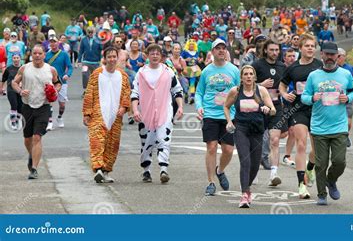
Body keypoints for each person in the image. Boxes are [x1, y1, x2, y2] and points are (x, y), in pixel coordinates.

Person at [301, 42, 353, 205]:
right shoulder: (313, 76)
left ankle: (331, 180)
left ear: (337, 57)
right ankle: (321, 194)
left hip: (339, 126)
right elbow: (304, 97)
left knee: (340, 162)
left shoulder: (346, 74)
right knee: (321, 163)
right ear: (322, 55)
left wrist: (348, 98)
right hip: (319, 127)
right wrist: (312, 98)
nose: (330, 57)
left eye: (333, 55)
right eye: (327, 54)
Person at [223, 65, 276, 208]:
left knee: (254, 165)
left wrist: (267, 109)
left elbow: (273, 110)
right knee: (245, 160)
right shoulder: (236, 91)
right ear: (241, 77)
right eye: (245, 74)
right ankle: (245, 194)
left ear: (254, 77)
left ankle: (247, 187)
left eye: (250, 74)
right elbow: (226, 106)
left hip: (257, 130)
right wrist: (229, 121)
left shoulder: (261, 91)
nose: (248, 76)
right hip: (241, 129)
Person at [131, 44, 184, 183]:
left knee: (163, 139)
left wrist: (180, 107)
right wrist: (135, 110)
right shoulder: (141, 73)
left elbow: (177, 90)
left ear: (161, 56)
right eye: (152, 53)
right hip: (146, 112)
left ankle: (163, 169)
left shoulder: (168, 72)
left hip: (165, 111)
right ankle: (146, 170)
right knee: (146, 141)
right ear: (147, 56)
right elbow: (135, 93)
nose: (154, 56)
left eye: (157, 53)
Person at [279, 34, 323, 199]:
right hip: (298, 109)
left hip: (318, 110)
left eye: (313, 46)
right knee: (301, 144)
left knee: (317, 150)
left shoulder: (320, 66)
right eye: (307, 46)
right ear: (301, 48)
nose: (310, 48)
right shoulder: (293, 68)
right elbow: (282, 84)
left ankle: (310, 168)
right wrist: (284, 94)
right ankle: (301, 185)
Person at [195, 39, 240, 196]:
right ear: (212, 52)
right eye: (217, 48)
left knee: (228, 149)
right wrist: (199, 107)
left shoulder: (234, 70)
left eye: (223, 48)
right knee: (211, 147)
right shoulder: (207, 71)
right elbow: (199, 92)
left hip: (229, 115)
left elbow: (240, 91)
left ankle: (220, 171)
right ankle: (211, 182)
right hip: (210, 114)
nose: (221, 50)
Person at [11, 45, 61, 179]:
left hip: (44, 107)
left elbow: (58, 83)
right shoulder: (24, 68)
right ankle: (31, 154)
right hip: (27, 106)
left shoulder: (51, 70)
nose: (37, 56)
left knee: (37, 137)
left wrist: (55, 91)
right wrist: (21, 91)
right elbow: (14, 82)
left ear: (44, 55)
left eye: (40, 53)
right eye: (35, 53)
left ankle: (34, 169)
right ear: (31, 55)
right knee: (27, 139)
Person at [82, 47, 131, 183]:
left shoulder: (123, 75)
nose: (112, 59)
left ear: (117, 58)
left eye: (114, 56)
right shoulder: (97, 73)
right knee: (97, 141)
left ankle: (106, 171)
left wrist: (124, 107)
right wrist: (87, 113)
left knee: (112, 144)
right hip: (98, 113)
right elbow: (89, 93)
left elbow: (127, 93)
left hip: (115, 115)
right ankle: (98, 168)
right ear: (104, 59)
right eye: (109, 57)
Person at [252, 40, 286, 187]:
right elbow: (245, 84)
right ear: (265, 50)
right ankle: (252, 174)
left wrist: (283, 92)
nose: (274, 53)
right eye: (271, 50)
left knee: (275, 140)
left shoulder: (282, 66)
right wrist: (260, 85)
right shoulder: (257, 65)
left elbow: (286, 85)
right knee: (256, 142)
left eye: (276, 50)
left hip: (276, 106)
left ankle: (274, 174)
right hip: (258, 106)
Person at [45, 35, 73, 130]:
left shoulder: (64, 54)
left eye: (54, 42)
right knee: (50, 102)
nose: (53, 44)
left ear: (58, 43)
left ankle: (59, 117)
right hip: (50, 82)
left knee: (62, 105)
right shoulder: (47, 55)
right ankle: (50, 121)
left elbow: (70, 66)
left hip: (61, 82)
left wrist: (67, 75)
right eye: (51, 42)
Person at [337, 48, 353, 147]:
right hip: (334, 100)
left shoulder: (349, 68)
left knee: (348, 123)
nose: (339, 58)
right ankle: (339, 137)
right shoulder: (332, 68)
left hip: (347, 99)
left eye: (341, 56)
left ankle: (345, 135)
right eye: (337, 56)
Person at [78, 26, 102, 96]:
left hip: (96, 62)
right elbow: (81, 50)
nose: (91, 33)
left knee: (96, 77)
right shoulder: (84, 40)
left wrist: (101, 60)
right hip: (86, 61)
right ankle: (86, 90)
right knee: (85, 74)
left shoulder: (98, 40)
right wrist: (79, 61)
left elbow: (101, 50)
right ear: (87, 32)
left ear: (94, 32)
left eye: (92, 32)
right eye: (89, 32)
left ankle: (95, 91)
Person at [1, 53, 23, 130]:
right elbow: (3, 79)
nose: (16, 59)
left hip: (20, 90)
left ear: (20, 58)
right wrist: (1, 88)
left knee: (20, 107)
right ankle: (13, 121)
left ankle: (16, 120)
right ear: (12, 59)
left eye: (17, 58)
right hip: (11, 89)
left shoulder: (23, 68)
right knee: (14, 105)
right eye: (14, 58)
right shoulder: (9, 68)